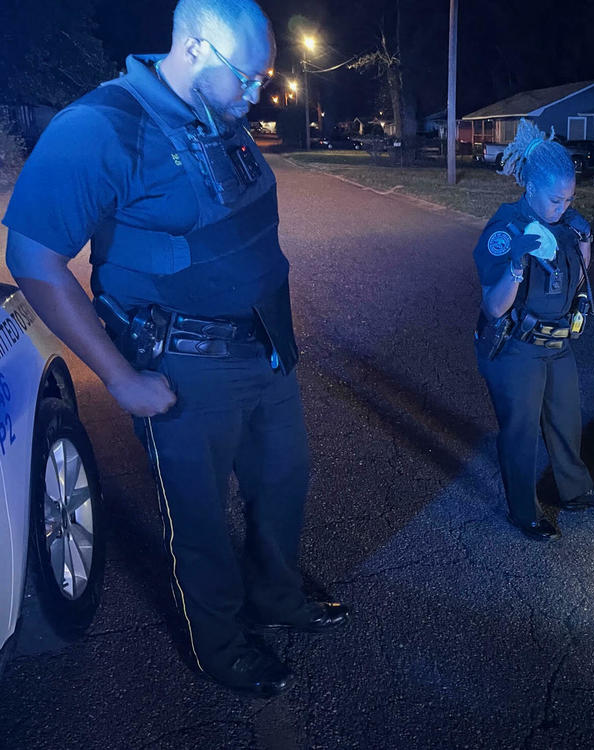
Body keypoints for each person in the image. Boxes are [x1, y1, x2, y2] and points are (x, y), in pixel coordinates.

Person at [3, 0, 348, 696]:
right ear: (192, 48)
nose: (257, 95)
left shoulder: (221, 117)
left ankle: (278, 597)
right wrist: (122, 379)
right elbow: (33, 258)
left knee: (282, 485)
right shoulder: (101, 128)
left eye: (262, 79)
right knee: (199, 521)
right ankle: (219, 645)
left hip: (262, 351)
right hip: (181, 367)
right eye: (246, 78)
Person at [473, 119, 594, 541]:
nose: (562, 207)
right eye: (555, 199)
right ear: (530, 188)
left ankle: (575, 492)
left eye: (569, 198)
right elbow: (493, 306)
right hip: (516, 348)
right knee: (521, 431)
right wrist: (517, 263)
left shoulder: (568, 223)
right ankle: (523, 511)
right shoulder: (506, 230)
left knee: (566, 421)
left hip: (558, 343)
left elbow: (578, 279)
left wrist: (584, 241)